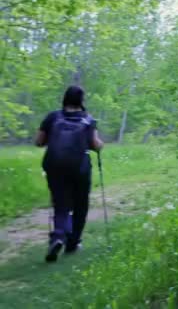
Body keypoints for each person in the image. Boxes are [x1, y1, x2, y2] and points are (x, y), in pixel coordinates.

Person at [35, 85, 104, 262]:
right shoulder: (88, 119)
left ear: (65, 98)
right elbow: (95, 144)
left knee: (61, 203)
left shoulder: (52, 117)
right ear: (82, 100)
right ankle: (72, 243)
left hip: (54, 166)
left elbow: (39, 142)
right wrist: (99, 145)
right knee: (80, 204)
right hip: (79, 168)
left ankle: (58, 236)